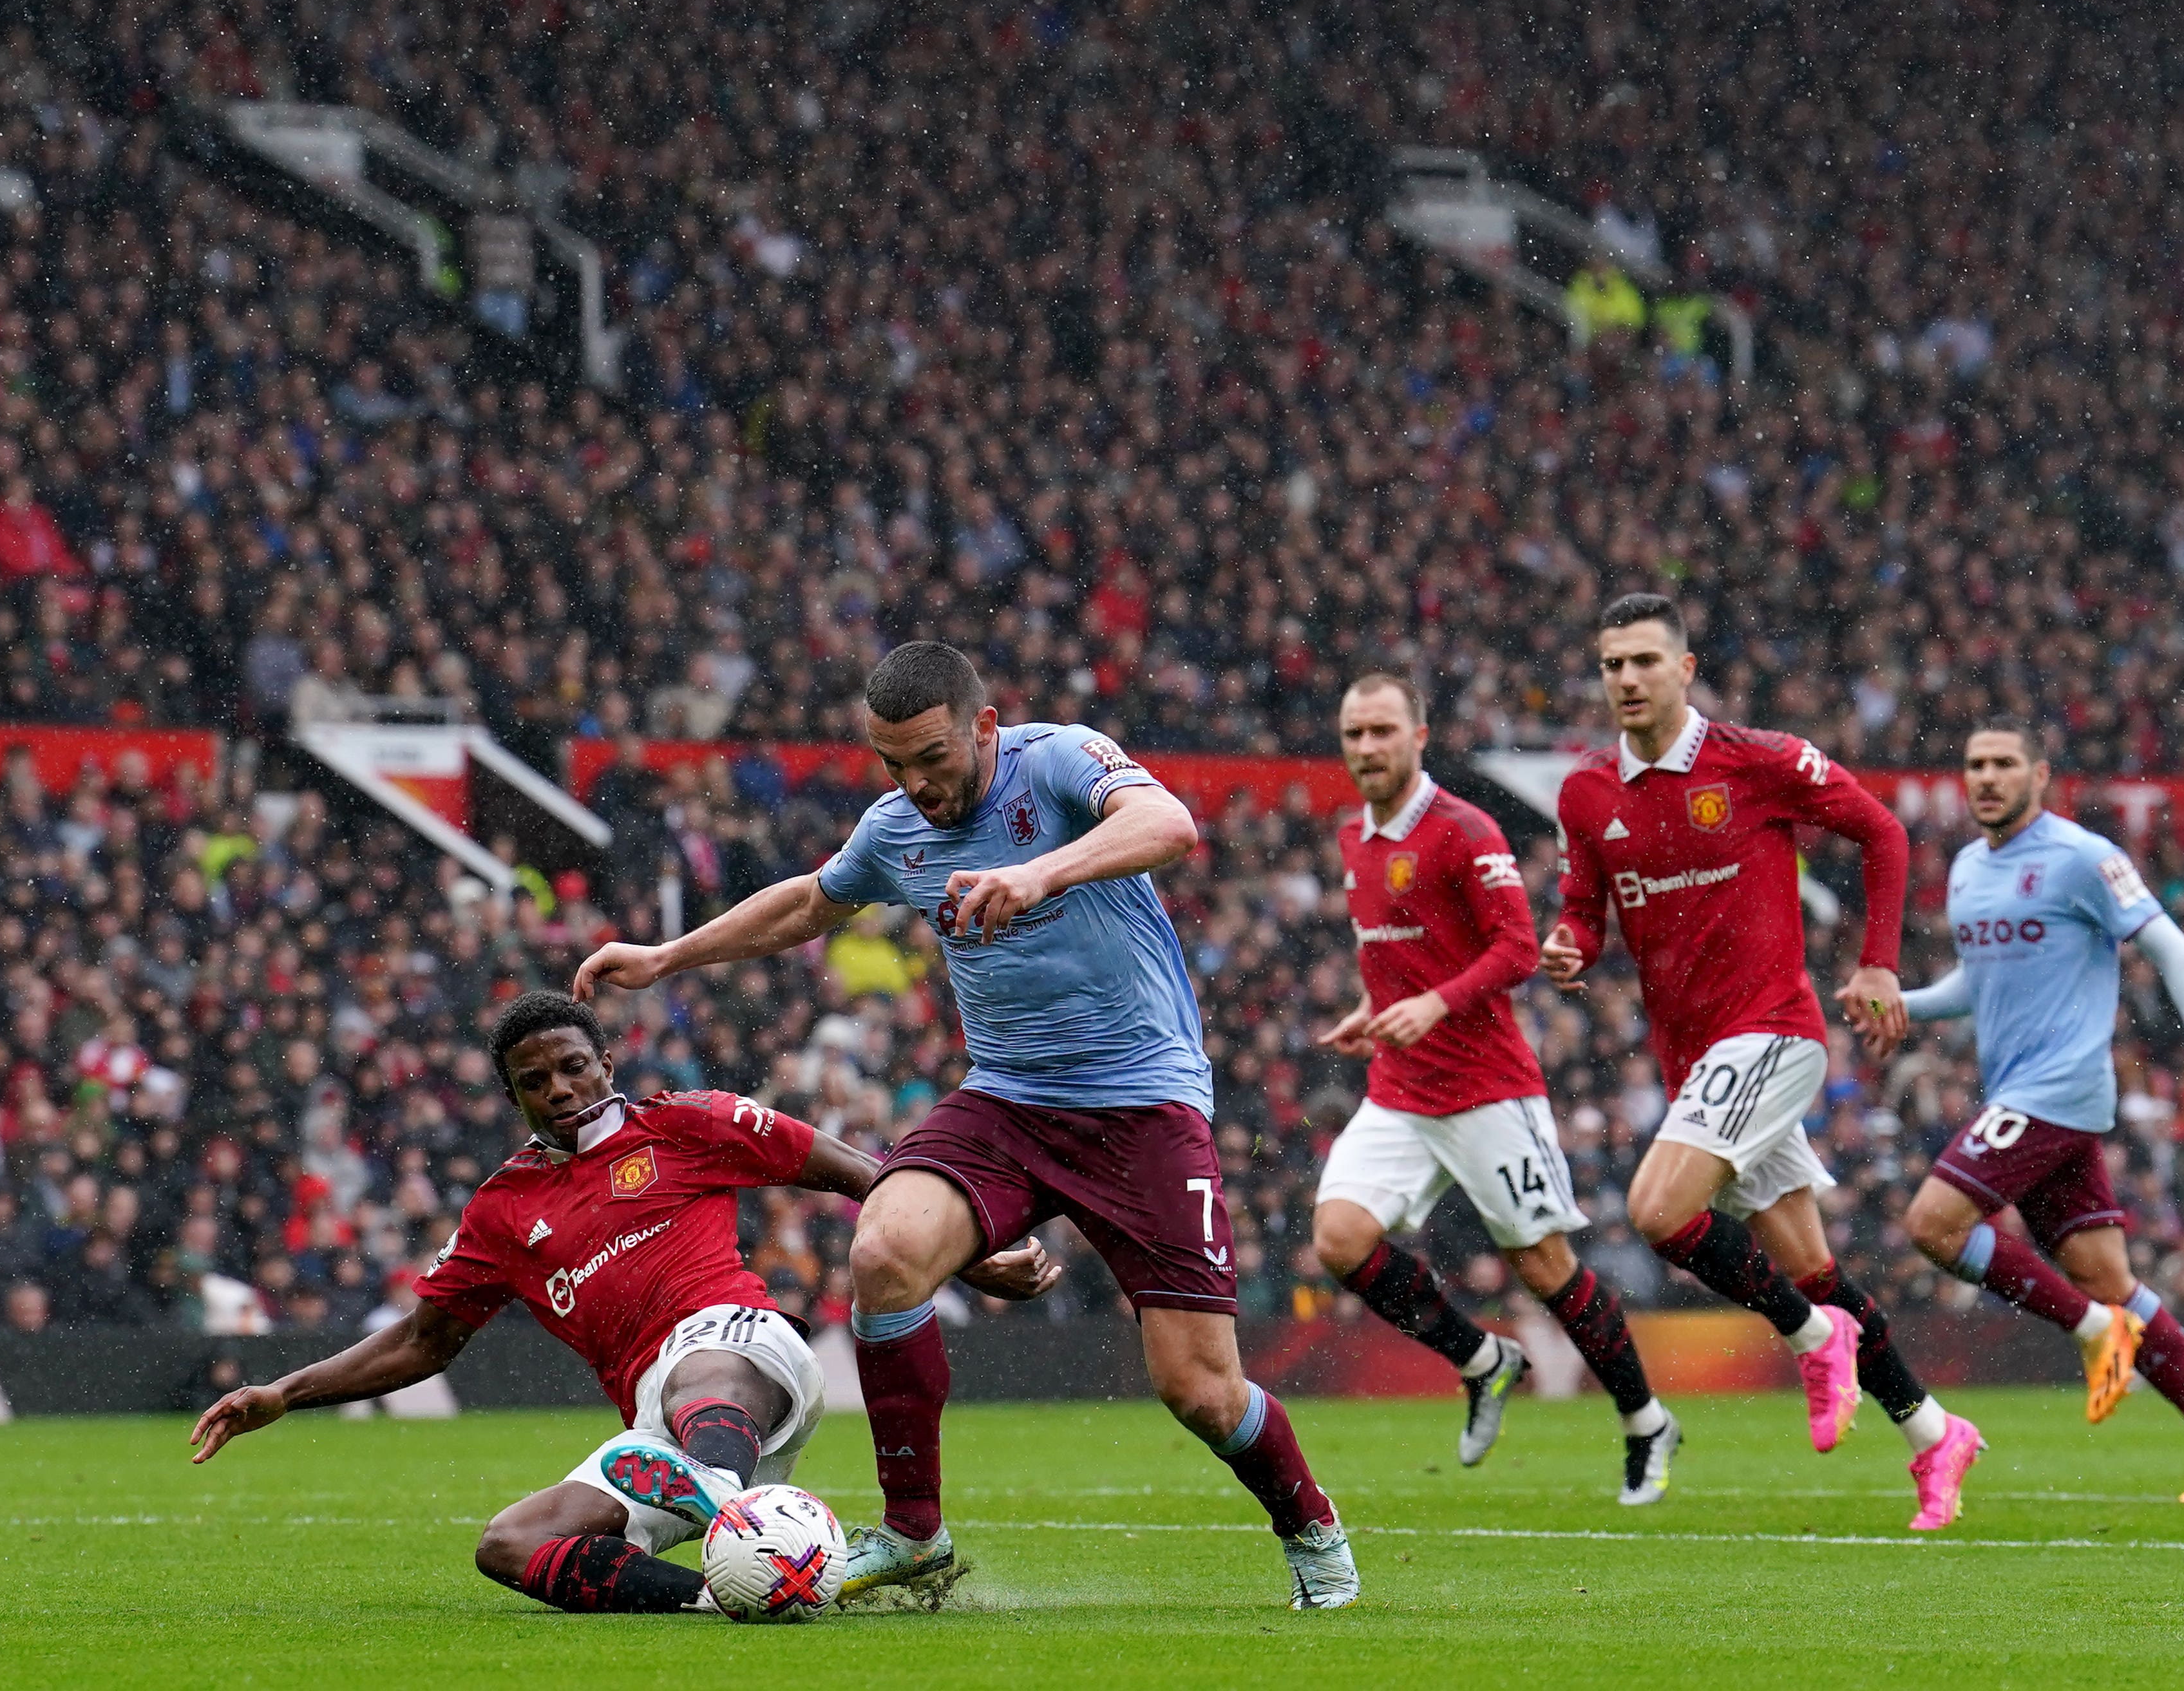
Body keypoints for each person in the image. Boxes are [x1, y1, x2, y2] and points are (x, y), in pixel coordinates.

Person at [576, 640, 1360, 1611]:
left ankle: (1310, 1527)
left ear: (983, 727)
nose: (916, 784)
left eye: (933, 758)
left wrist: (1043, 875)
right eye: (892, 763)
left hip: (1140, 1104)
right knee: (885, 1252)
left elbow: (1169, 823)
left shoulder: (1060, 761)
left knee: (1199, 1389)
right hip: (1006, 1099)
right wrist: (666, 957)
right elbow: (809, 904)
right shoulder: (896, 825)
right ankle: (914, 1533)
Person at [188, 991, 1056, 1615]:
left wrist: (966, 1250)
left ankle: (722, 1498)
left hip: (743, 1349)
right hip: (655, 1423)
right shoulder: (501, 1210)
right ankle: (732, 1587)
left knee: (697, 1373)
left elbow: (843, 1168)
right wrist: (284, 1392)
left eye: (573, 1067)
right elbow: (422, 1342)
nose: (561, 1087)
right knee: (510, 1546)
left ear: (606, 1063)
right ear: (515, 1096)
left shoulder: (686, 1124)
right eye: (537, 1080)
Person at [1538, 594, 1984, 1531]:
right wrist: (1571, 944)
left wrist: (1877, 959)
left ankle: (1813, 1339)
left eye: (1644, 662)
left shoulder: (1761, 760)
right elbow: (1586, 905)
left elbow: (1884, 834)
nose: (1625, 679)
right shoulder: (1586, 793)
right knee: (1811, 1264)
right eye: (1612, 663)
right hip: (1695, 1061)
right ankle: (1933, 1431)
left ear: (1684, 668)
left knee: (1659, 1212)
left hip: (1775, 1031)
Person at [1313, 672, 1678, 1503]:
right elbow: (1404, 954)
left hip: (1486, 1089)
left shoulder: (1464, 830)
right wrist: (1372, 1010)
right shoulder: (1352, 838)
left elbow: (1515, 949)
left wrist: (1433, 1004)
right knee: (1338, 1239)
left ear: (1418, 735)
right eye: (1354, 733)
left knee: (1543, 1267)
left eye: (1381, 732)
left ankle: (1646, 1418)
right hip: (1402, 1089)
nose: (1366, 748)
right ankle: (1483, 1362)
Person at [1882, 722, 2184, 1502]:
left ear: (2040, 775)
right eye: (1974, 766)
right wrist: (1903, 1006)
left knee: (1933, 1224)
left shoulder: (2082, 857)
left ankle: (2095, 1332)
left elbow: (2169, 946)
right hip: (2025, 1092)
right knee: (2106, 1276)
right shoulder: (1965, 869)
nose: (1985, 778)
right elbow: (1975, 984)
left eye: (2002, 765)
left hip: (2057, 1088)